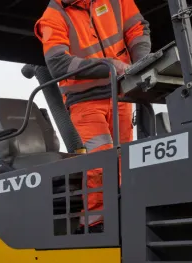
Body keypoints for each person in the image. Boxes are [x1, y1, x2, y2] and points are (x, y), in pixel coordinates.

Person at [35, 0, 151, 230]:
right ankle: (97, 223)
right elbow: (59, 64)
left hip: (121, 96)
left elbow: (137, 28)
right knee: (101, 163)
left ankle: (125, 215)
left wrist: (142, 61)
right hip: (84, 102)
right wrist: (109, 65)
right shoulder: (53, 17)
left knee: (125, 161)